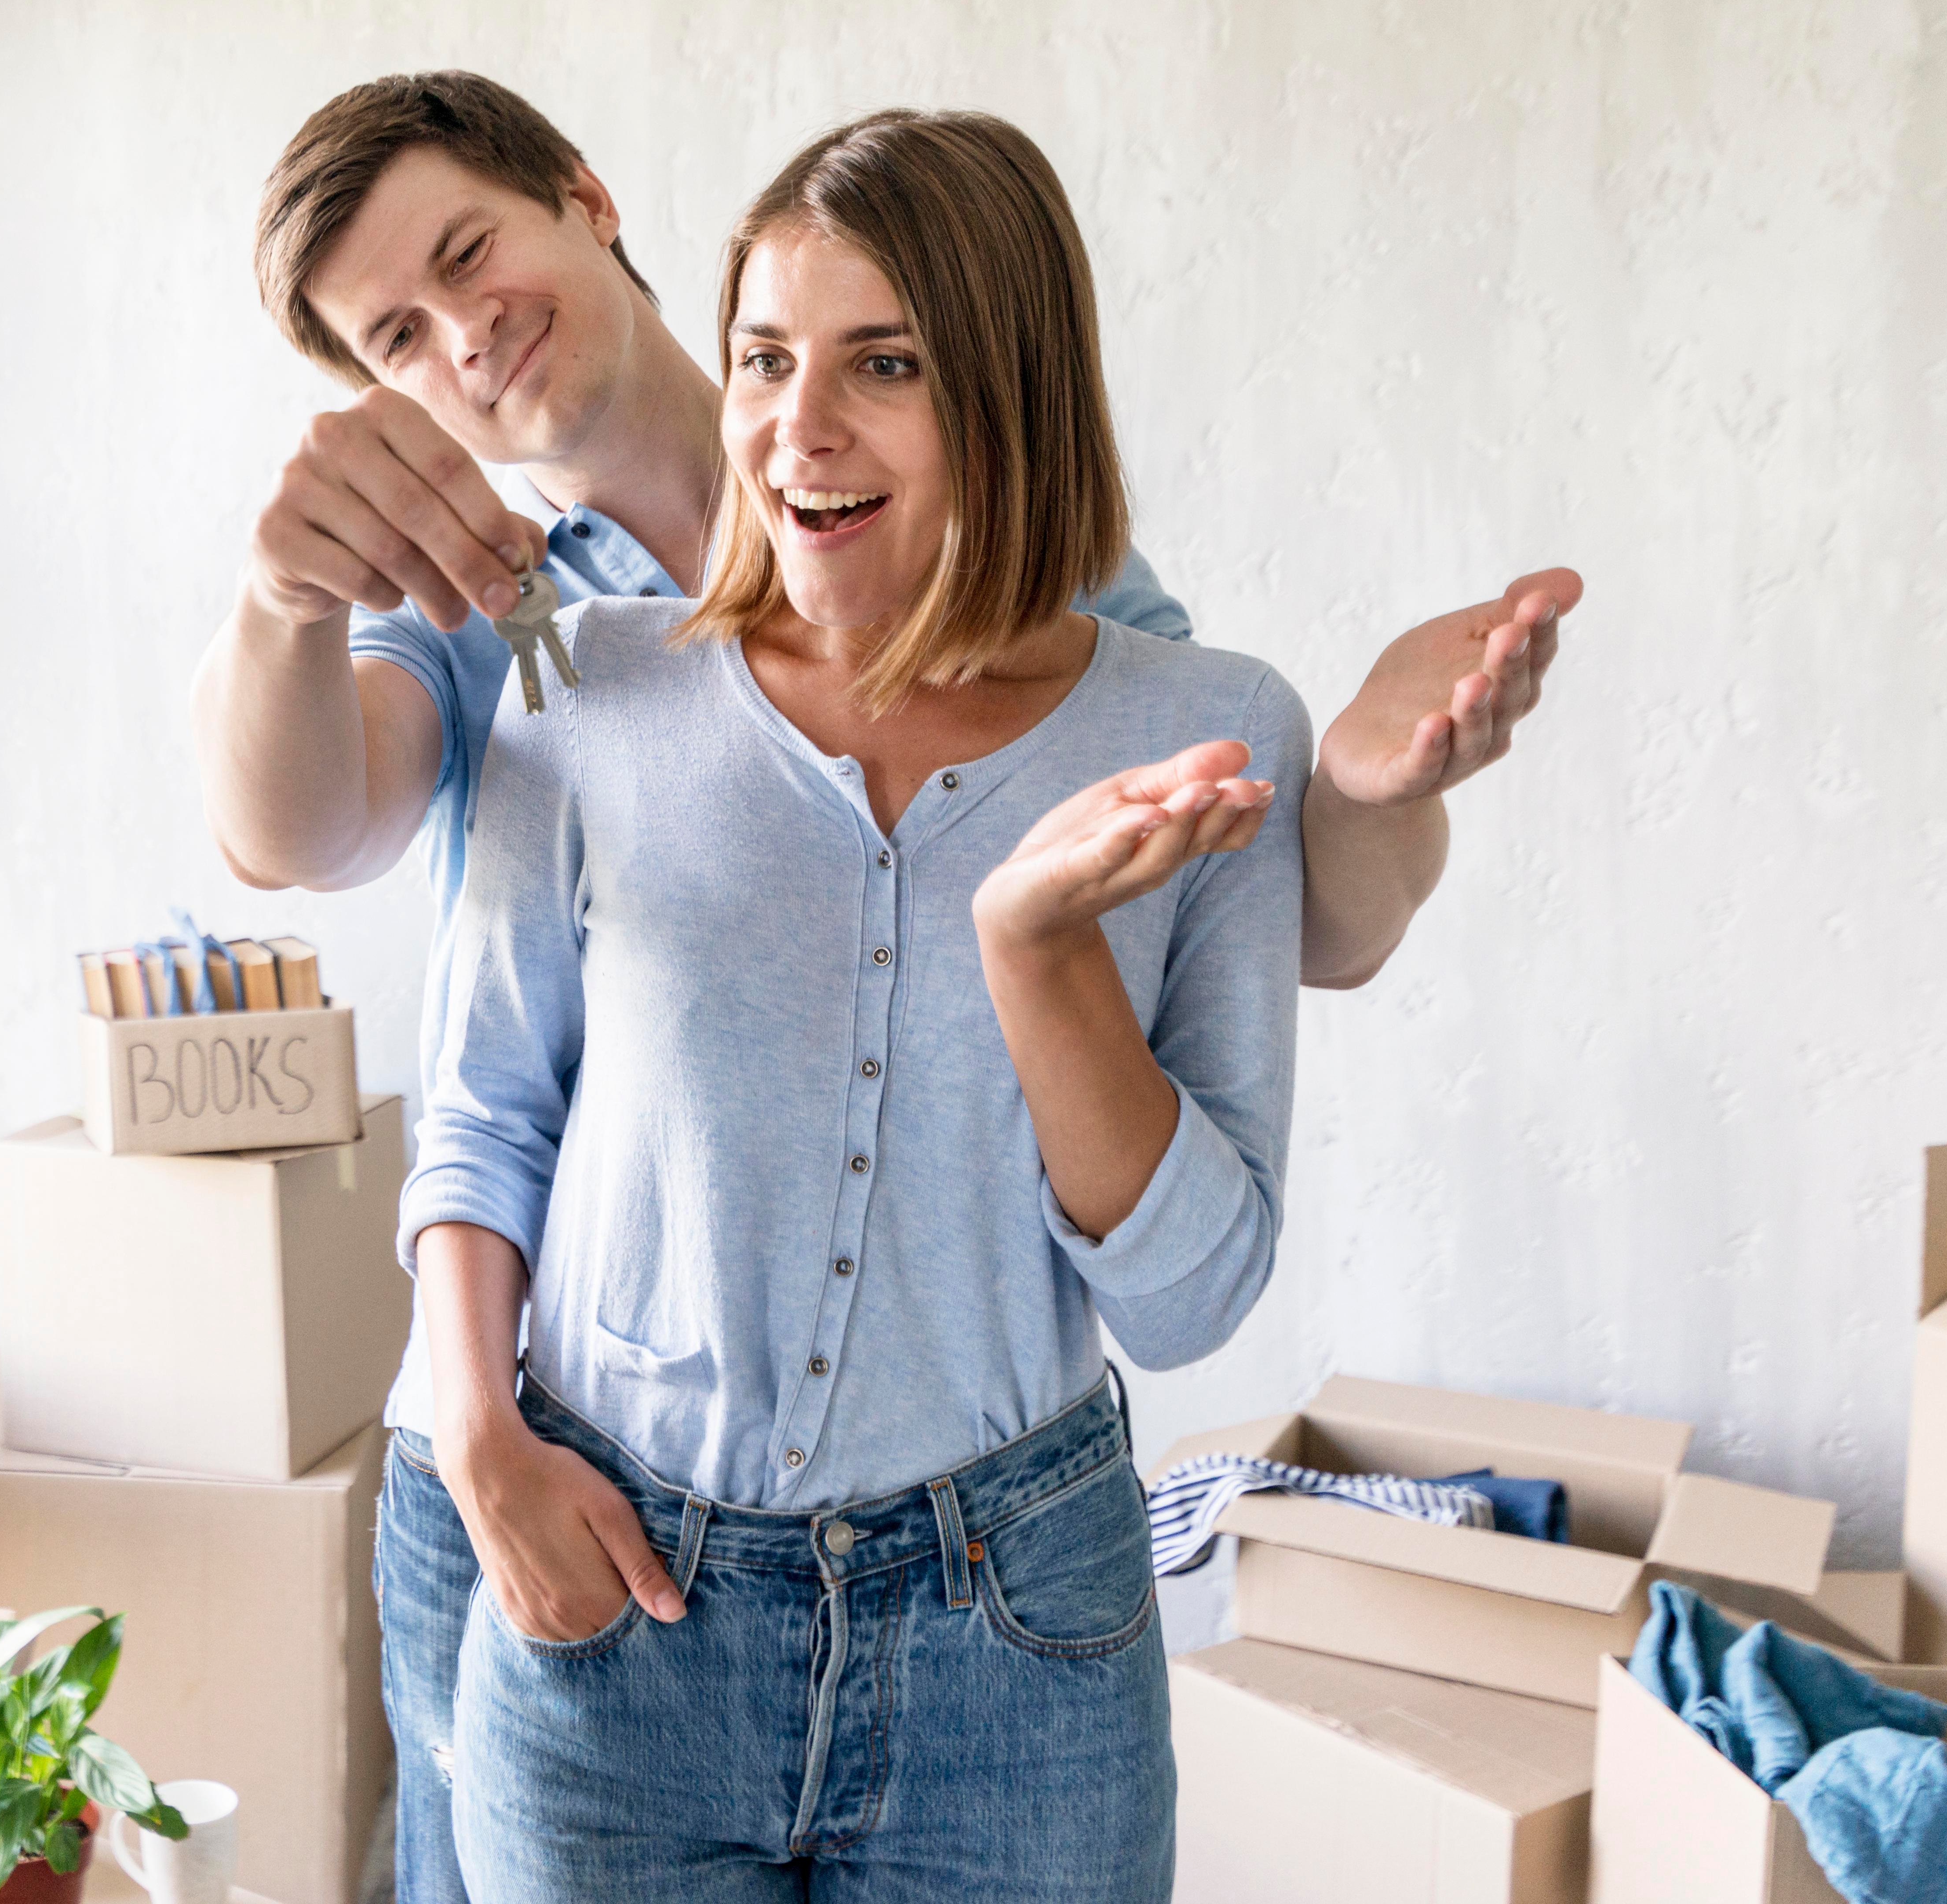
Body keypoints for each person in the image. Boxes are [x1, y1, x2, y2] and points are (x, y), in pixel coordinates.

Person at [189, 72, 1575, 1902]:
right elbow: (314, 851)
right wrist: (281, 597)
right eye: (398, 335)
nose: (466, 334)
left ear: (583, 203)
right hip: (542, 1466)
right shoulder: (515, 627)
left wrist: (1360, 795)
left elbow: (1240, 895)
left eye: (470, 252)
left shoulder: (1092, 616)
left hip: (995, 1571)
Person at [413, 107, 1292, 1897]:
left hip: (1019, 1653)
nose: (795, 429)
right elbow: (484, 1112)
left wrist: (1040, 956)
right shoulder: (582, 693)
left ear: (1012, 385)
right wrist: (474, 1434)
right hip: (614, 1623)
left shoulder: (1205, 736)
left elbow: (1194, 1294)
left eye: (881, 364)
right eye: (760, 359)